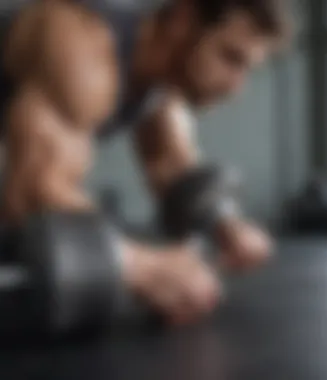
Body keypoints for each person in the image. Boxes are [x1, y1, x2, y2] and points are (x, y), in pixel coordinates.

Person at [0, 0, 289, 325]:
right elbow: (29, 195)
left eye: (247, 68)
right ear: (183, 17)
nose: (236, 88)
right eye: (230, 57)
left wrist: (226, 226)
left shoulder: (159, 87)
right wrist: (144, 267)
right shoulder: (82, 49)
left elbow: (175, 171)